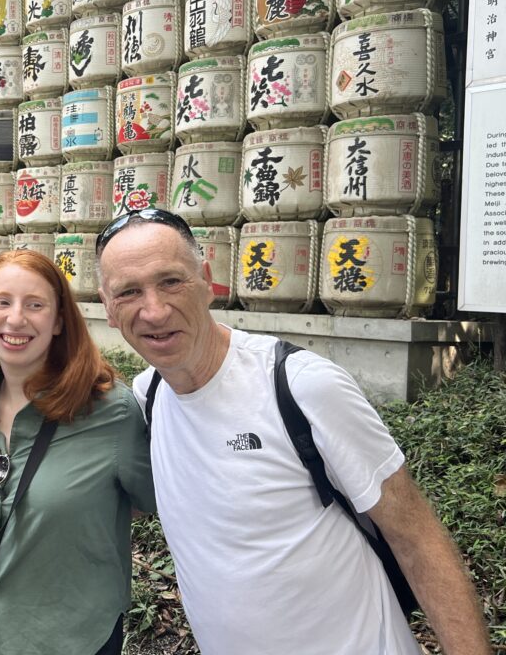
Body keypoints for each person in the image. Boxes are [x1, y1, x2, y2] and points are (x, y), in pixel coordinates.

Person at [94, 207, 492, 655]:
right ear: (108, 309)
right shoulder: (147, 400)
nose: (154, 310)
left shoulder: (299, 385)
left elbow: (417, 538)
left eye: (171, 281)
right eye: (128, 292)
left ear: (206, 280)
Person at [0, 250, 155, 655]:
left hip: (69, 636)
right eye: (2, 302)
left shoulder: (110, 411)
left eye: (35, 305)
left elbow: (148, 500)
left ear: (59, 320)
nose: (16, 318)